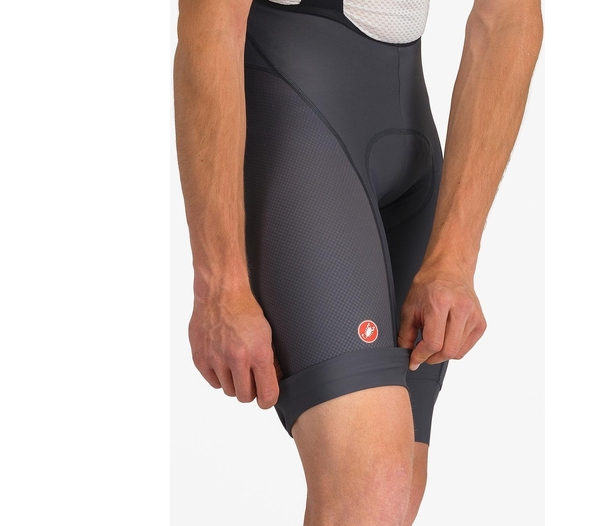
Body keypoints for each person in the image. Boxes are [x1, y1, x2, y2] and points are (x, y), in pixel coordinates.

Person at [174, 0, 542, 523]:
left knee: (397, 492)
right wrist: (219, 284)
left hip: (410, 135)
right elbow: (210, 21)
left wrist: (454, 258)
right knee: (371, 485)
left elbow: (509, 17)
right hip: (299, 111)